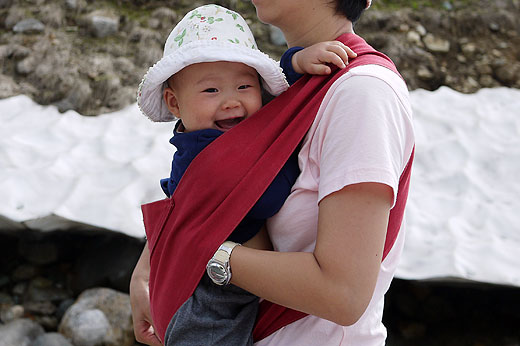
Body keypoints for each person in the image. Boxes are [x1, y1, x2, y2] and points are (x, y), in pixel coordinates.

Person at [134, 4, 357, 345]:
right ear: (174, 104)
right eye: (211, 91)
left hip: (216, 281)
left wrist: (295, 62)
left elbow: (274, 100)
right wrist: (290, 161)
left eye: (244, 87)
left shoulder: (215, 135)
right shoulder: (207, 153)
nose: (230, 102)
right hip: (205, 301)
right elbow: (267, 199)